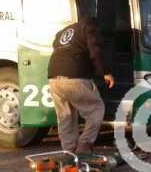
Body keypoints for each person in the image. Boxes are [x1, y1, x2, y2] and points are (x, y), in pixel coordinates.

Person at [48, 18, 115, 155]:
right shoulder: (89, 26)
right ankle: (84, 145)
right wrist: (105, 72)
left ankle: (69, 152)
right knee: (96, 109)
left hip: (54, 78)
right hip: (75, 76)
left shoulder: (62, 32)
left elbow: (57, 48)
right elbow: (95, 51)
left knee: (65, 116)